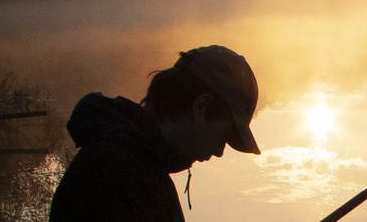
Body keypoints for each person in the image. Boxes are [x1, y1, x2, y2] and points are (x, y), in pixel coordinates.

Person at [49, 45, 261, 221]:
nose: (219, 151)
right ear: (202, 107)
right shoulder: (113, 175)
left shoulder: (144, 167)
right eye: (224, 136)